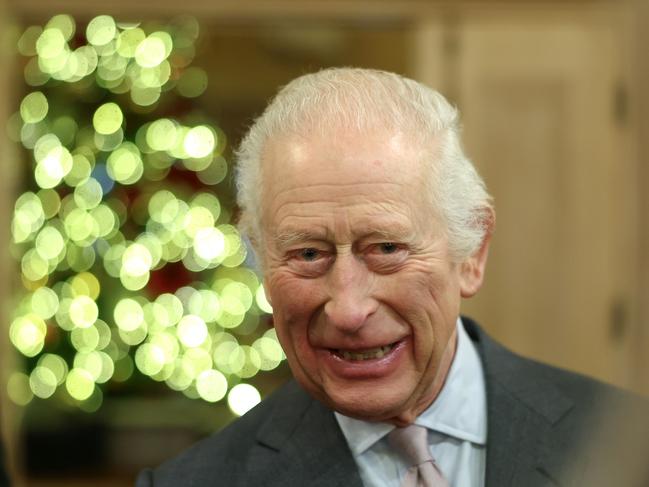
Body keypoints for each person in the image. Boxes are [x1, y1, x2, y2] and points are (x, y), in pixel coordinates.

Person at [136, 68, 649, 487]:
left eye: (385, 248)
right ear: (261, 260)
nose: (348, 308)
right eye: (309, 253)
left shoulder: (628, 447)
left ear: (471, 253)